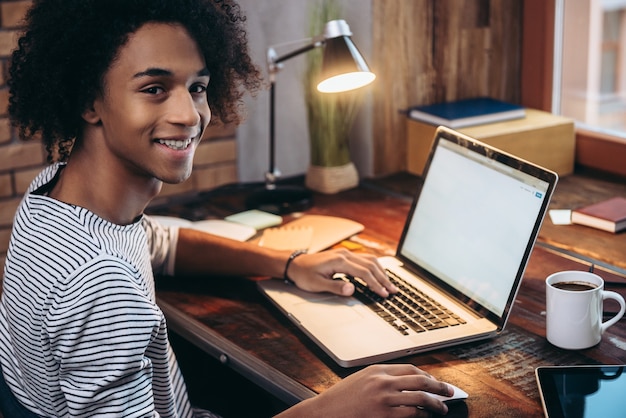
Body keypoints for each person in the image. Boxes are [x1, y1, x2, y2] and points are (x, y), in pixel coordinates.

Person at [0, 0, 454, 417]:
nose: (190, 114)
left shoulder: (54, 195)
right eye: (155, 88)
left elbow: (159, 242)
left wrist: (288, 263)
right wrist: (327, 410)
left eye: (197, 87)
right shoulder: (99, 282)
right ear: (88, 101)